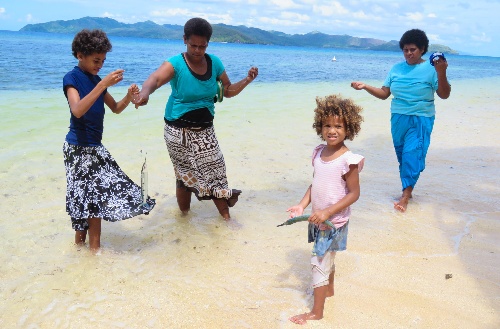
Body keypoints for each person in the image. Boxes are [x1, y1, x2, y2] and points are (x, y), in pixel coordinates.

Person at [133, 17, 258, 220]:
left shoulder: (214, 62)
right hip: (177, 131)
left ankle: (226, 220)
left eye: (202, 46)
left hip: (206, 129)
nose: (198, 50)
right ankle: (184, 217)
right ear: (184, 40)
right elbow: (154, 79)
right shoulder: (176, 64)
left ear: (208, 43)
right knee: (184, 176)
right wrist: (144, 95)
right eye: (193, 45)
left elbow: (227, 90)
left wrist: (247, 80)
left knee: (216, 171)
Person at [63, 29, 155, 253]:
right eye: (96, 60)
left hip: (95, 149)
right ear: (79, 55)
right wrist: (102, 85)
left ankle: (88, 252)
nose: (100, 65)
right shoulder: (71, 78)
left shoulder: (96, 81)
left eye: (103, 61)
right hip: (77, 149)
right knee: (85, 200)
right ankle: (90, 252)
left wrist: (128, 96)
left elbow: (115, 109)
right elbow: (77, 110)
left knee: (93, 198)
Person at [351, 28, 451, 212]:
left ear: (422, 49)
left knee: (412, 154)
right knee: (402, 156)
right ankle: (409, 187)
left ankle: (405, 196)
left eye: (413, 49)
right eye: (405, 50)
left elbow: (444, 94)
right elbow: (384, 94)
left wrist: (442, 72)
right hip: (398, 118)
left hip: (421, 118)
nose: (409, 53)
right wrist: (365, 86)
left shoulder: (432, 69)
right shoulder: (396, 69)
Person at [286, 95, 364, 325]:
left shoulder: (349, 160)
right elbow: (315, 184)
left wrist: (328, 212)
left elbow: (354, 194)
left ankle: (316, 312)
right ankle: (328, 290)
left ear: (349, 128)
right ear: (320, 127)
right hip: (318, 219)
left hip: (333, 222)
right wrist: (302, 205)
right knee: (327, 257)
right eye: (327, 125)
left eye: (338, 126)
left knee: (318, 261)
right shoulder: (319, 152)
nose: (332, 130)